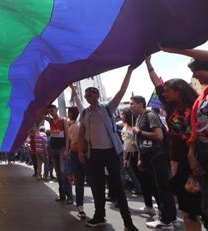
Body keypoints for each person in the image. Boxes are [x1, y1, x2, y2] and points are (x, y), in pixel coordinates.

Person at [160, 46, 208, 231]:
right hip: (202, 156)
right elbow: (196, 131)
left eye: (197, 71)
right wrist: (191, 153)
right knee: (207, 205)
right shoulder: (203, 97)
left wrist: (181, 50)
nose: (195, 77)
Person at [145, 55, 205, 230]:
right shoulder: (170, 107)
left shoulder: (198, 104)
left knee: (207, 205)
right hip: (178, 160)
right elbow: (157, 84)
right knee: (187, 204)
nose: (164, 94)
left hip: (200, 159)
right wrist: (149, 64)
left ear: (179, 90)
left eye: (168, 91)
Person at [78, 66, 138, 231]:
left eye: (91, 94)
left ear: (97, 95)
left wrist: (129, 71)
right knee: (97, 186)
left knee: (117, 186)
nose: (88, 97)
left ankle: (128, 222)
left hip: (111, 152)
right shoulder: (85, 113)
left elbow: (121, 91)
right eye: (86, 95)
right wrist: (81, 151)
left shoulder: (107, 108)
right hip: (94, 154)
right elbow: (81, 132)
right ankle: (99, 216)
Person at [130, 95, 177, 229]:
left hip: (157, 156)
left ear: (140, 104)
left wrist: (140, 132)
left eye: (132, 104)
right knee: (157, 187)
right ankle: (166, 215)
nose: (130, 107)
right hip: (149, 156)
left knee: (163, 187)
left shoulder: (150, 116)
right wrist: (140, 158)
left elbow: (158, 136)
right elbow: (141, 143)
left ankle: (167, 220)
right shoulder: (139, 118)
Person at [44, 104, 73, 204]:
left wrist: (66, 149)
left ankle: (69, 196)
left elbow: (67, 136)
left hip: (61, 150)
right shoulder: (50, 121)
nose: (51, 113)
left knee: (63, 172)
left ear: (56, 110)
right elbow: (39, 114)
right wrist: (46, 110)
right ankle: (62, 195)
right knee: (59, 173)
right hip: (54, 150)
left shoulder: (63, 120)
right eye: (50, 111)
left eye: (53, 110)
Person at [68, 84, 86, 218]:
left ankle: (81, 206)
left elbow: (78, 102)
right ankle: (80, 206)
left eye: (69, 113)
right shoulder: (72, 126)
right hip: (77, 154)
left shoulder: (81, 122)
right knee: (80, 181)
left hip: (84, 154)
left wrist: (73, 89)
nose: (68, 115)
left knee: (82, 180)